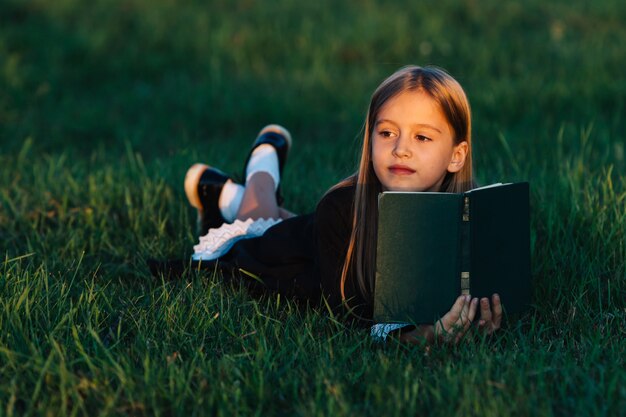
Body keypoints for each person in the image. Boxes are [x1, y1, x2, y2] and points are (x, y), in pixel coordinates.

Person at [180, 65, 502, 345]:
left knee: (296, 225)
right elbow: (350, 317)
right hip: (284, 260)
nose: (401, 149)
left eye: (422, 138)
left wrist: (480, 314)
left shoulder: (467, 210)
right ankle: (261, 168)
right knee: (256, 228)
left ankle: (225, 191)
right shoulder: (340, 209)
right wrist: (423, 336)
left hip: (314, 236)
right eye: (388, 132)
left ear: (456, 156)